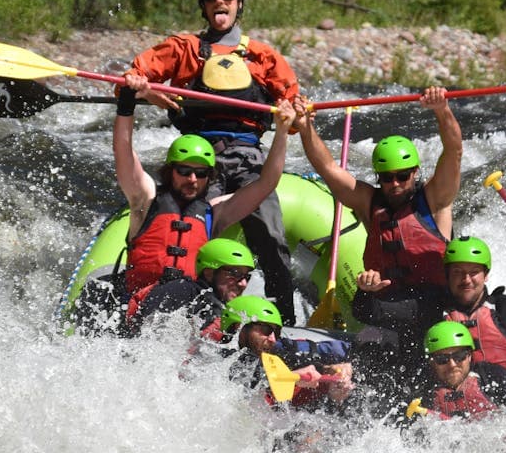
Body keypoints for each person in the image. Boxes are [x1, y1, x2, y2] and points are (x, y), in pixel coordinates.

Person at [123, 0, 300, 325]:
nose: (220, 2)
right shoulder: (184, 49)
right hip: (201, 160)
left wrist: (291, 113)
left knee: (270, 233)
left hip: (249, 154)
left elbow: (295, 111)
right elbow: (134, 77)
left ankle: (283, 319)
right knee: (194, 231)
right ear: (204, 6)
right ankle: (197, 316)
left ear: (238, 3)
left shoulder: (263, 56)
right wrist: (147, 90)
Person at [73, 89, 294, 334]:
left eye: (200, 174)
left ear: (209, 177)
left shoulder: (215, 212)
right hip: (138, 306)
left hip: (184, 312)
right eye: (184, 171)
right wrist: (126, 104)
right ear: (171, 171)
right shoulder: (144, 199)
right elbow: (124, 153)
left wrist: (282, 130)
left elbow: (266, 183)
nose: (192, 179)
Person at [351, 235, 506, 394]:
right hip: (443, 415)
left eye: (473, 272)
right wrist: (365, 292)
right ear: (447, 275)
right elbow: (371, 314)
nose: (466, 280)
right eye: (458, 272)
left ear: (486, 275)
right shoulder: (428, 308)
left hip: (503, 412)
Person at [296, 87, 462, 293]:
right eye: (386, 177)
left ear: (415, 172)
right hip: (387, 300)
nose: (395, 184)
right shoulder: (368, 201)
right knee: (362, 306)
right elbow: (328, 168)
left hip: (433, 301)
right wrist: (305, 129)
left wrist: (442, 109)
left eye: (402, 176)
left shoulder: (435, 198)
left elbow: (454, 150)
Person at [223, 295, 355, 410]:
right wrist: (295, 376)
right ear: (238, 327)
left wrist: (329, 372)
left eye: (276, 332)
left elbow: (301, 353)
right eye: (265, 329)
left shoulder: (277, 349)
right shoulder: (216, 357)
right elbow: (246, 379)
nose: (273, 339)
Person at [404, 321, 506, 425]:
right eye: (442, 359)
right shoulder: (422, 390)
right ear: (432, 362)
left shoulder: (494, 377)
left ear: (469, 356)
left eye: (460, 356)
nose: (452, 364)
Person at [125, 237, 257, 340]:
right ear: (209, 272)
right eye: (235, 274)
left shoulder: (223, 309)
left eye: (246, 277)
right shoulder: (179, 292)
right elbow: (145, 337)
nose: (243, 284)